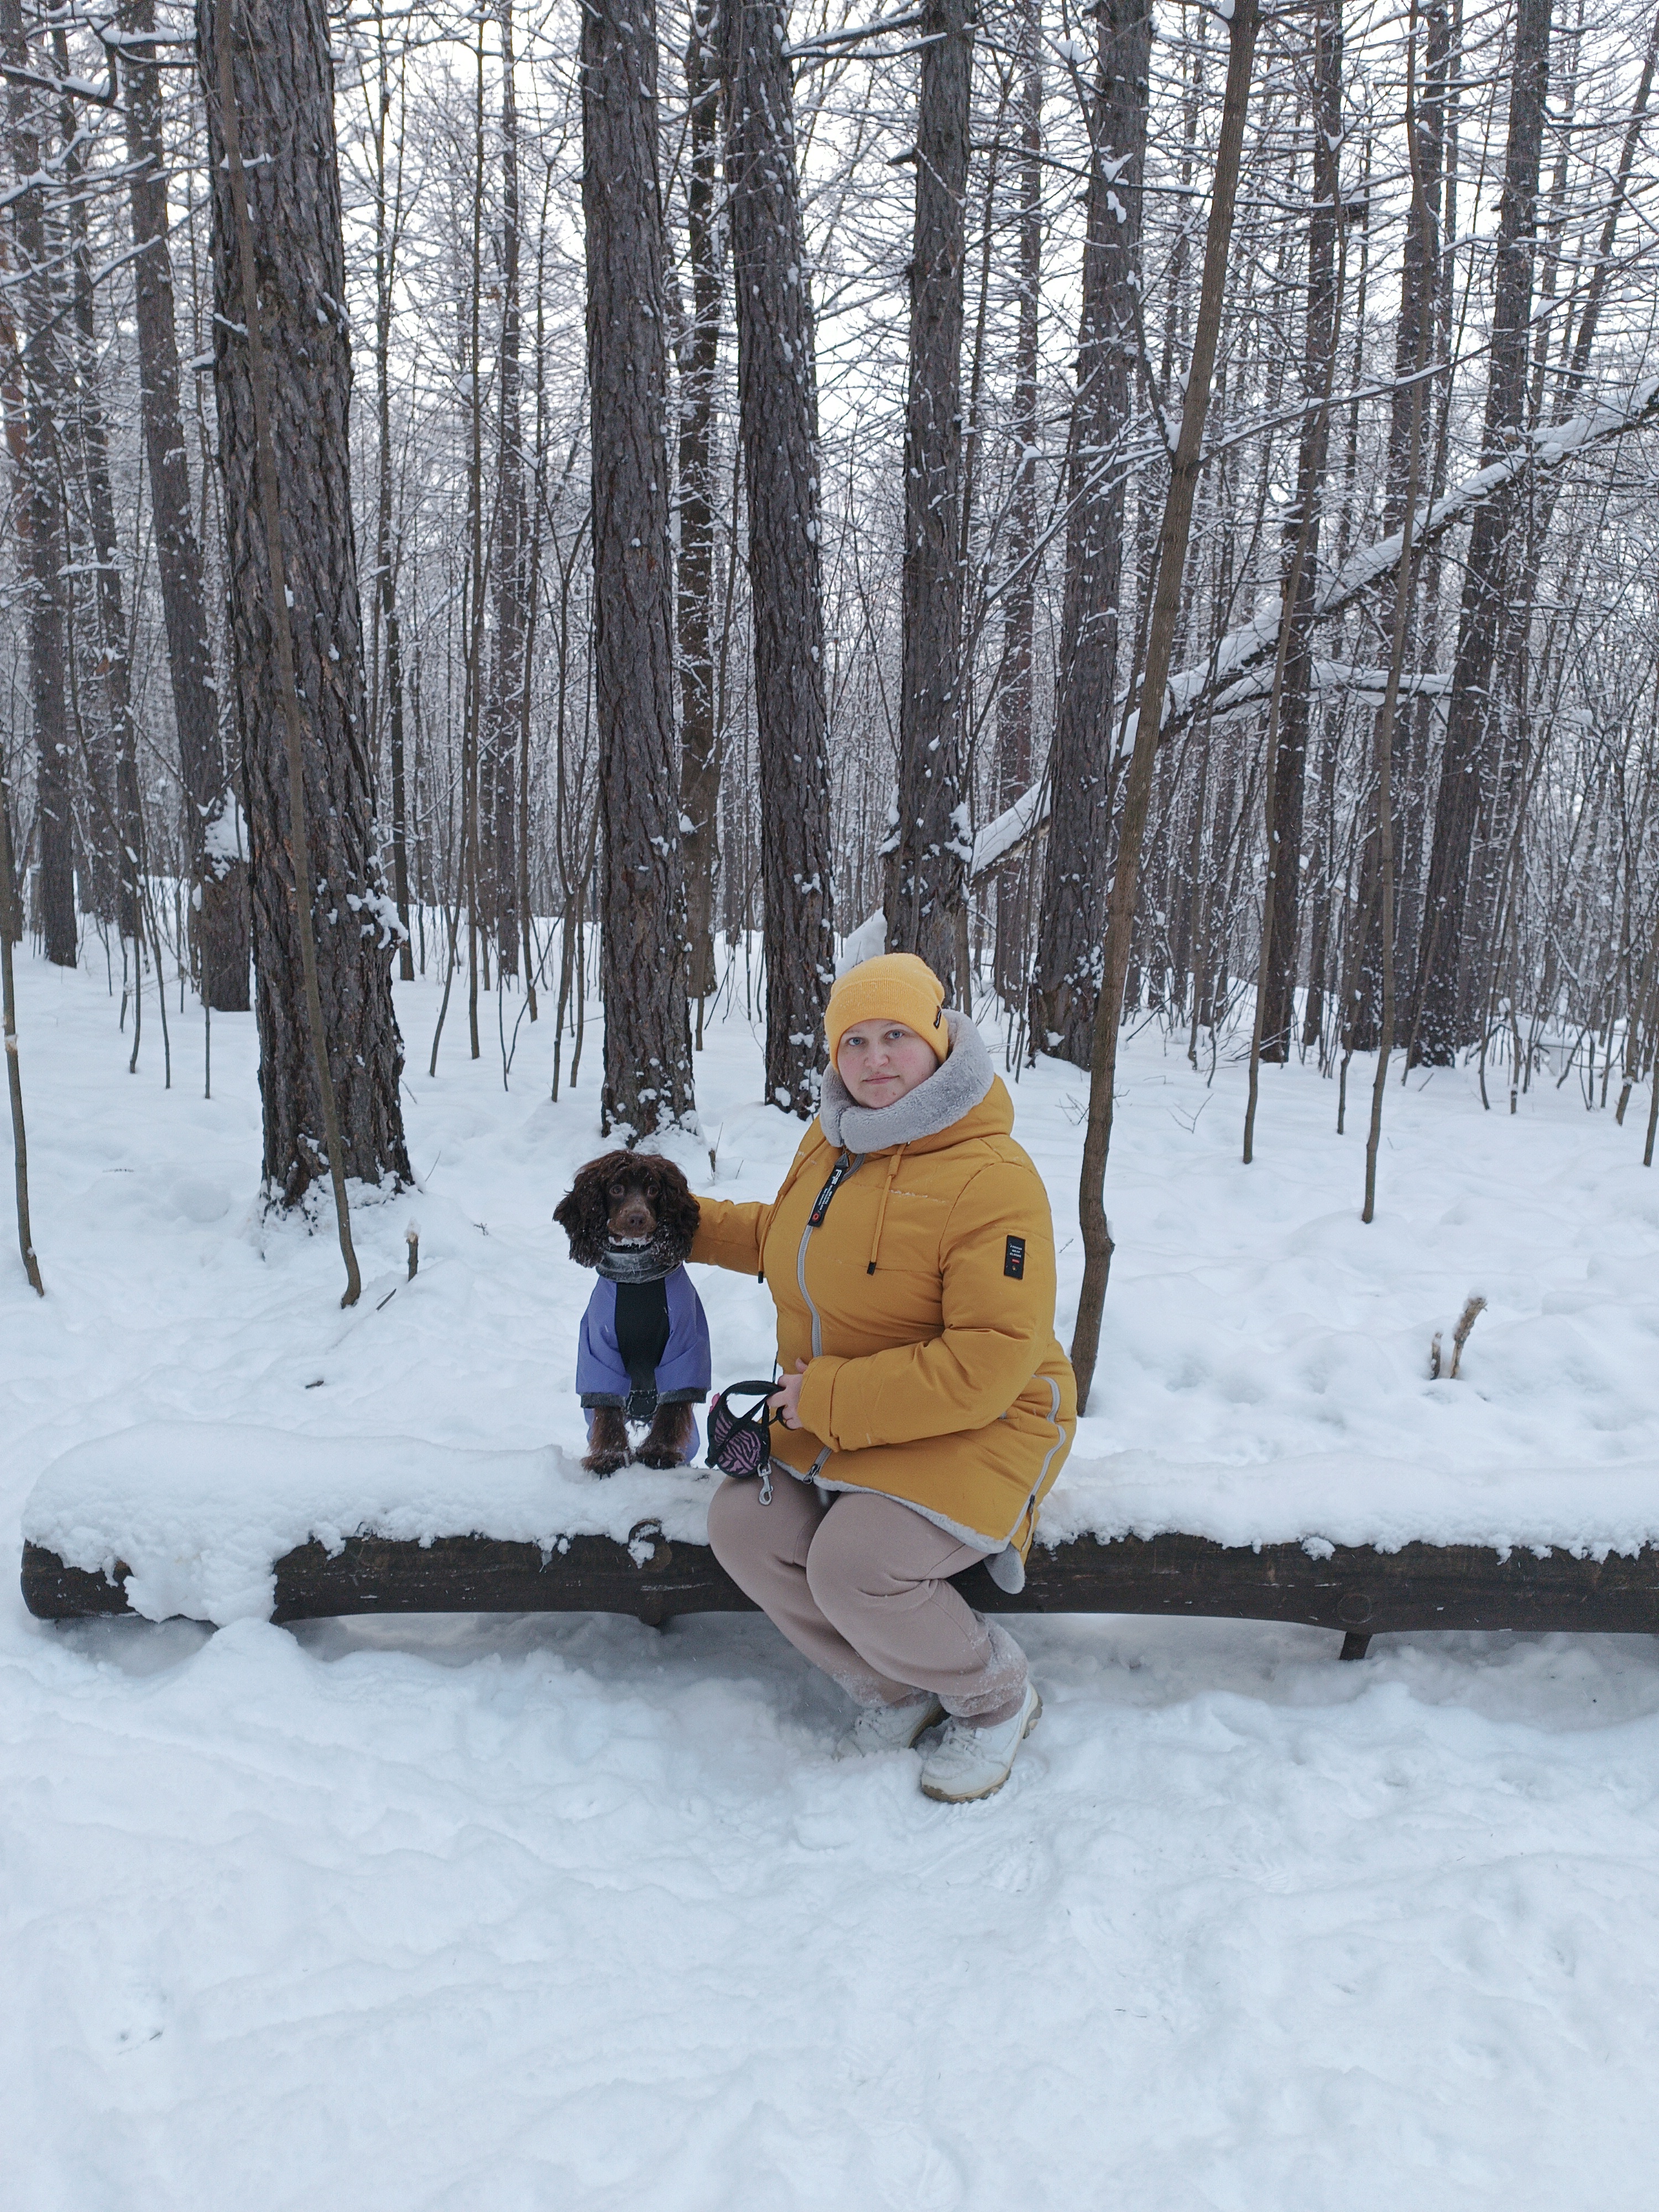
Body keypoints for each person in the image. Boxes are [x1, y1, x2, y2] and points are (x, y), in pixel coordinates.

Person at [692, 952, 1076, 1802]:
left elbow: (987, 1364)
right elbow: (786, 1238)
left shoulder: (993, 1177)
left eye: (896, 1035)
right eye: (854, 1041)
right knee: (743, 1525)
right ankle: (896, 1689)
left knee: (855, 1562)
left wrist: (827, 1399)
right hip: (847, 1412)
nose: (874, 1060)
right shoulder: (836, 1140)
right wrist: (687, 1224)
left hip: (984, 1419)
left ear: (939, 1041)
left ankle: (994, 1698)